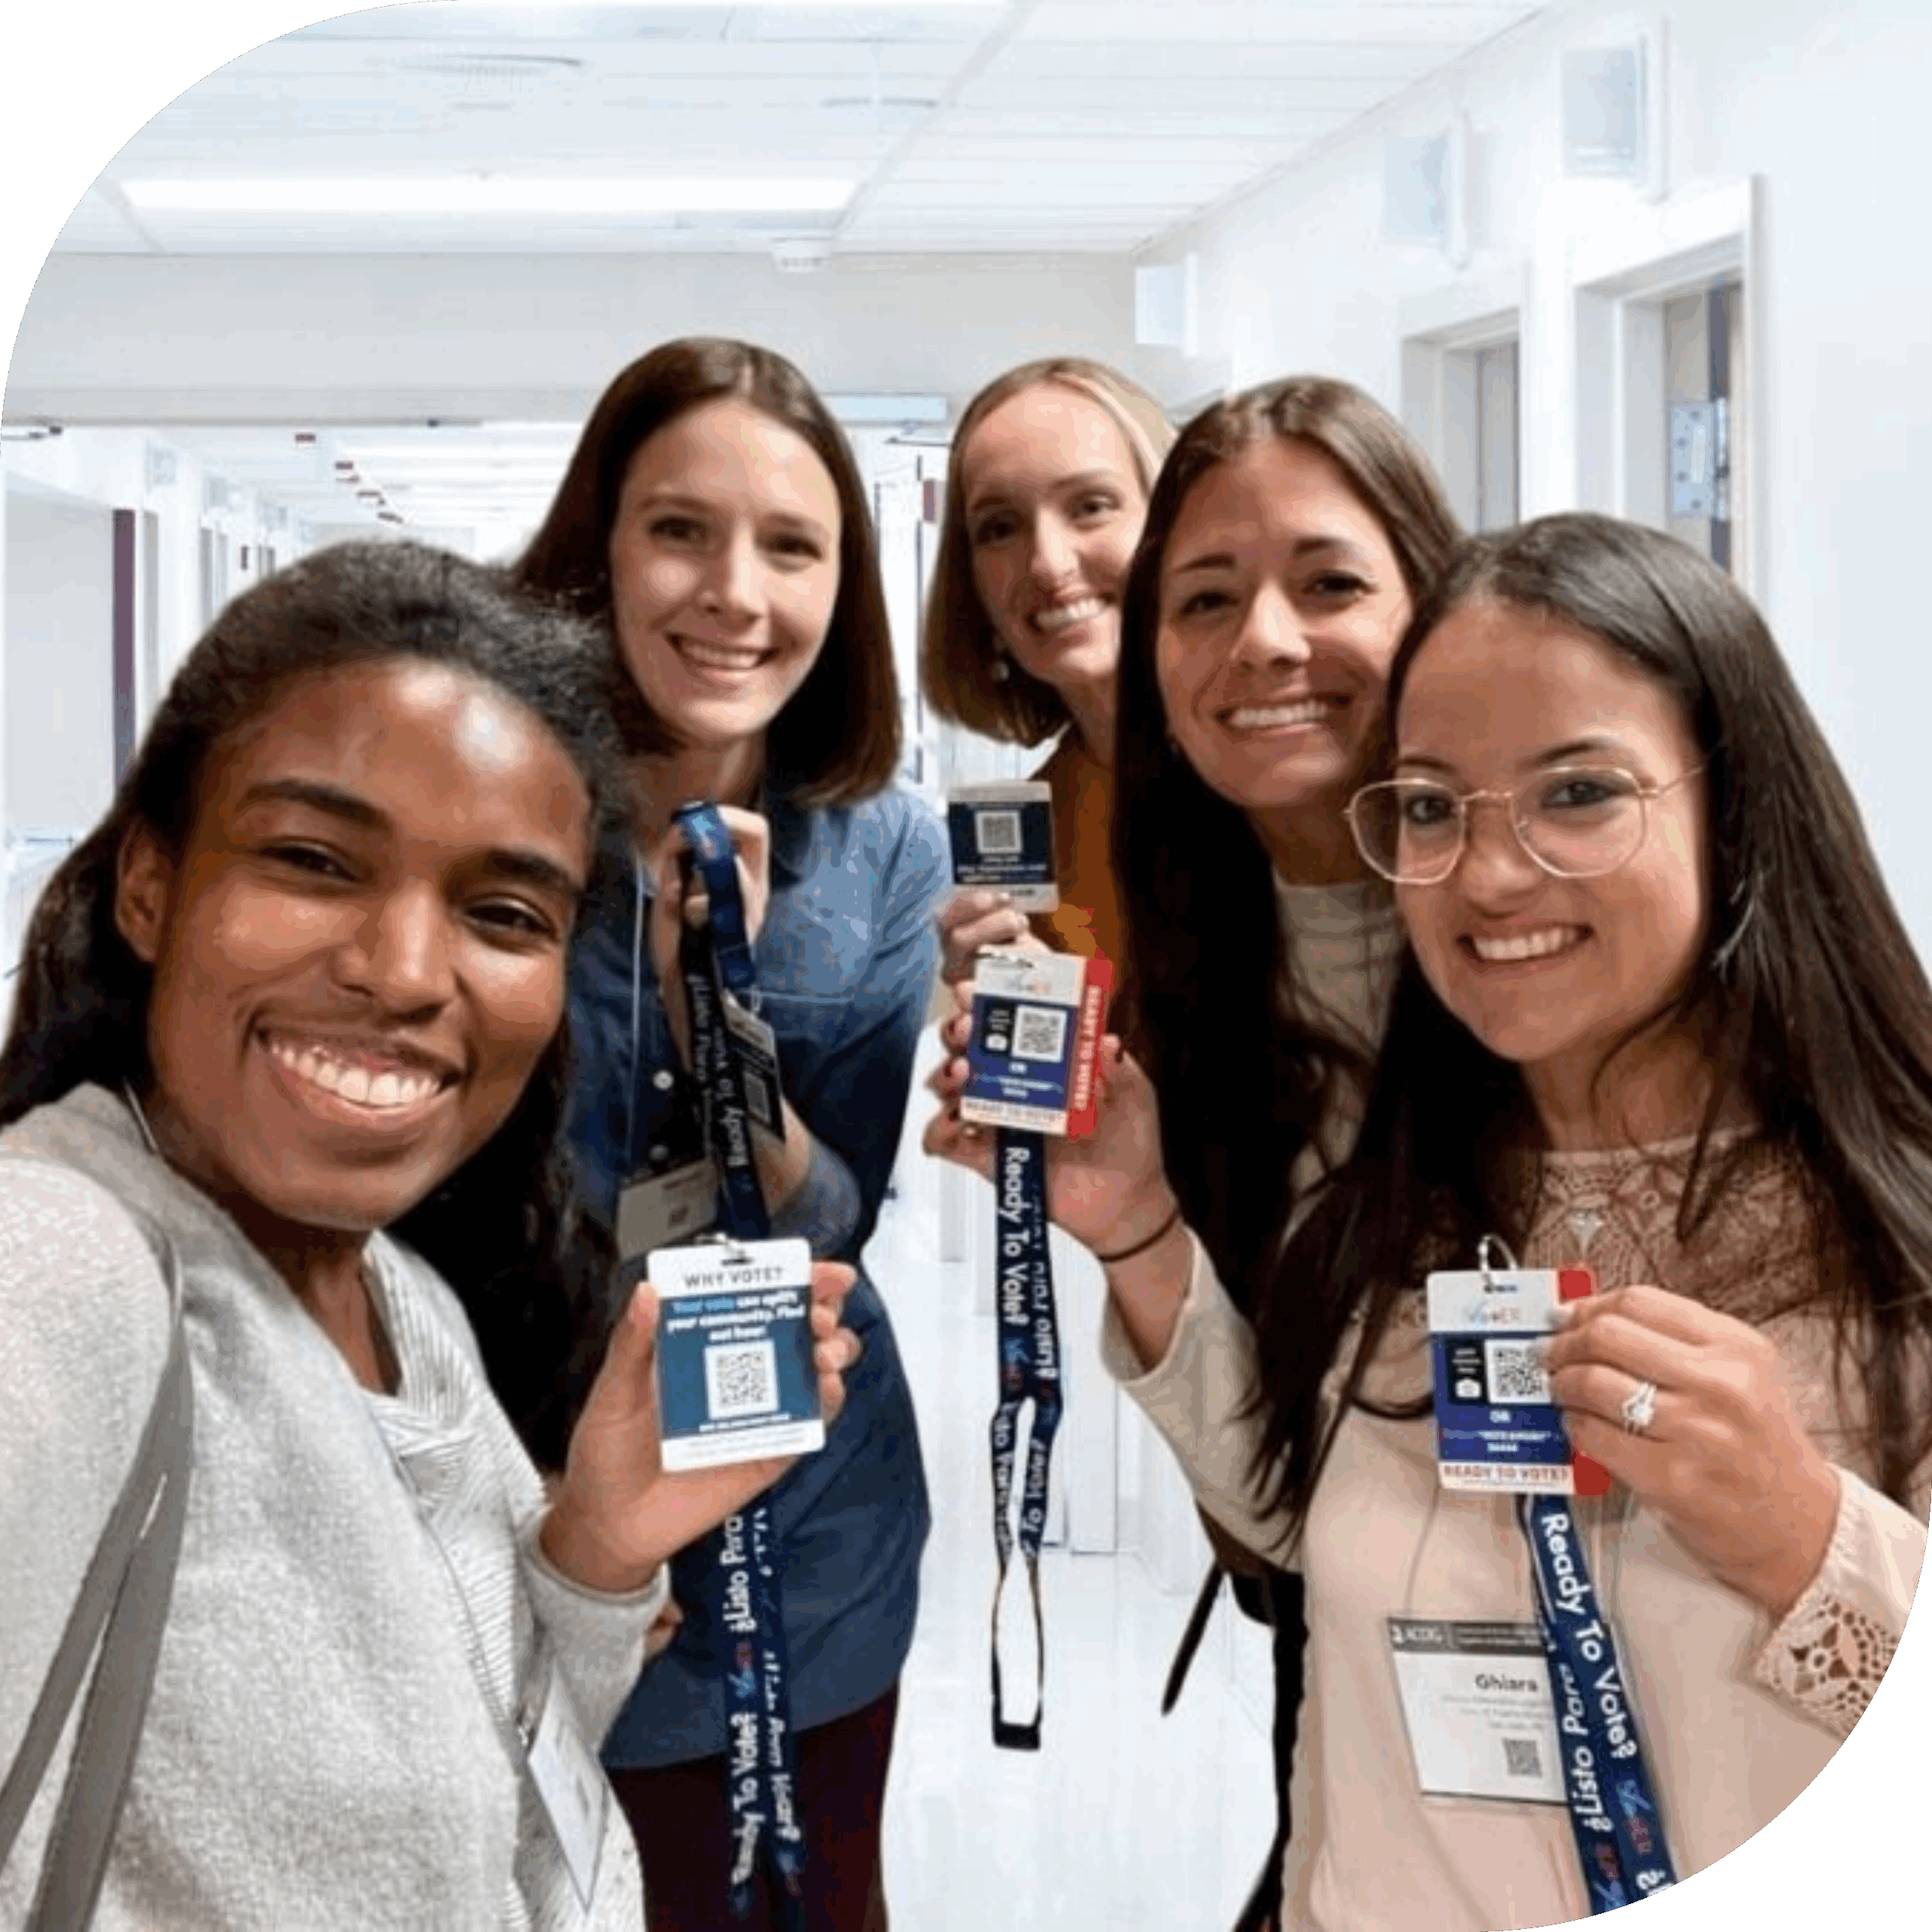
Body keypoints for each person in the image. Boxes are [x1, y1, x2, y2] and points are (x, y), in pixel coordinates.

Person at [963, 512, 1932, 1926]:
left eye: (1579, 794)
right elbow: (1305, 1526)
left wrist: (1805, 1536)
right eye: (1428, 805)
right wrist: (1137, 1230)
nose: (1485, 876)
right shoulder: (1400, 1206)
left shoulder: (1893, 1230)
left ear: (1739, 807)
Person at [0, 540, 863, 1931]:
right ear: (150, 884)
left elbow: (498, 1779)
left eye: (501, 912)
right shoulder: (62, 1274)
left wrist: (593, 1548)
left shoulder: (406, 1301)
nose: (404, 973)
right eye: (313, 861)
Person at [934, 376, 1460, 1924]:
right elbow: (1296, 1505)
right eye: (1210, 600)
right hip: (1340, 1605)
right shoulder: (1189, 933)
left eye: (1328, 582)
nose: (1264, 645)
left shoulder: (1515, 934)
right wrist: (1127, 1218)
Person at [514, 337, 947, 1932]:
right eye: (679, 529)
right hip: (523, 1490)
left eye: (790, 544)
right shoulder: (490, 791)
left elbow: (831, 1214)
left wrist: (721, 1011)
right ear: (599, 544)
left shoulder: (880, 843)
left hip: (804, 1512)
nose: (734, 592)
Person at [920, 357, 1174, 983]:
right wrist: (1024, 1013)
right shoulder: (1038, 834)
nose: (1046, 562)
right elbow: (1092, 1080)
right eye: (1000, 527)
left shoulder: (1273, 777)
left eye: (1091, 506)